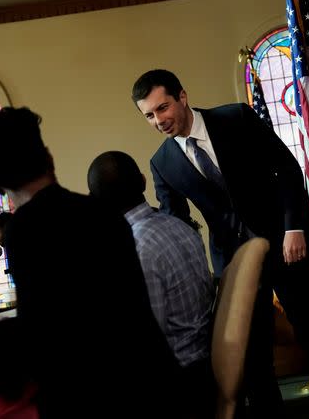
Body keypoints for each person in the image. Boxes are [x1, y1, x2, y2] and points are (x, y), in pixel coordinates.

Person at [132, 69, 309, 419]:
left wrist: (293, 228)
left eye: (163, 108)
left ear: (182, 96)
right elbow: (177, 223)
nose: (159, 120)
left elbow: (286, 169)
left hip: (286, 245)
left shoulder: (235, 118)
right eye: (149, 115)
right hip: (234, 265)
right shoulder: (161, 164)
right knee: (251, 357)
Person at [0, 106, 182, 418]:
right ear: (49, 158)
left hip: (90, 398)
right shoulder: (104, 213)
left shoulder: (22, 233)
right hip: (155, 387)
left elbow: (44, 338)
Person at [88, 150, 216, 418]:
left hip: (179, 383)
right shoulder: (180, 226)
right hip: (207, 364)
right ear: (144, 182)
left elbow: (149, 339)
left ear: (97, 203)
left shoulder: (133, 249)